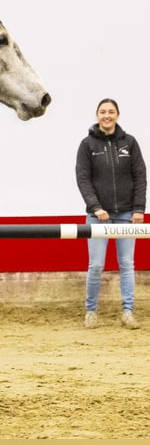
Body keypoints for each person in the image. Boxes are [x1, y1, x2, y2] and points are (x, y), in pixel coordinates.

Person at [76, 98, 146, 329]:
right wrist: (96, 207)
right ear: (97, 115)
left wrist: (138, 209)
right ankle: (91, 311)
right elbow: (83, 179)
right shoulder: (87, 145)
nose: (107, 115)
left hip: (127, 214)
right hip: (98, 216)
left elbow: (140, 177)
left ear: (117, 115)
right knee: (96, 265)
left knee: (126, 264)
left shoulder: (130, 143)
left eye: (111, 111)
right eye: (103, 112)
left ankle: (128, 312)